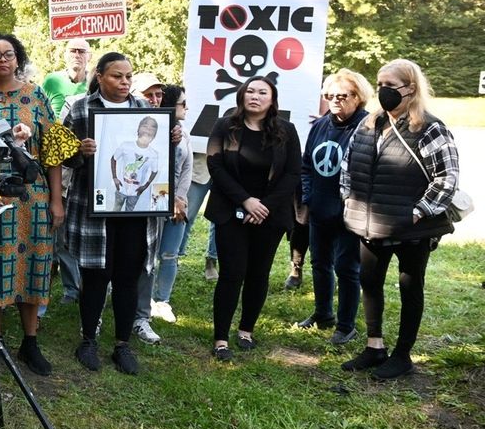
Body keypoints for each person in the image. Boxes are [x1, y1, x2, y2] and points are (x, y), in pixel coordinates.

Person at [340, 59, 458, 379]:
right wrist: (348, 200)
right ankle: (374, 346)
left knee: (410, 287)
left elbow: (446, 177)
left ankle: (402, 354)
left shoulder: (430, 127)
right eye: (379, 85)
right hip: (370, 222)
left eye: (390, 86)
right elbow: (349, 168)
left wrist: (419, 211)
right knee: (370, 283)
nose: (383, 92)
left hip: (412, 228)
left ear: (410, 88)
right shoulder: (368, 124)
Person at [0, 34, 64, 376]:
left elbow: (52, 152)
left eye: (8, 54)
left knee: (34, 260)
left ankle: (30, 342)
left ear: (17, 59)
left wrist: (56, 199)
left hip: (32, 196)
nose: (2, 60)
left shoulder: (35, 95)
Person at [62, 52, 165, 375]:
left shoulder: (146, 111)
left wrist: (171, 136)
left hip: (135, 214)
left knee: (127, 276)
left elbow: (160, 153)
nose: (124, 83)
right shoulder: (80, 108)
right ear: (101, 76)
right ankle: (88, 339)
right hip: (95, 209)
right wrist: (79, 151)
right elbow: (63, 155)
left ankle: (122, 344)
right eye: (117, 76)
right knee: (95, 274)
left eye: (128, 77)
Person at [205, 76, 302, 362]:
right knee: (231, 274)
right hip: (230, 211)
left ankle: (246, 329)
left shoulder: (287, 130)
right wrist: (245, 201)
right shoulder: (225, 126)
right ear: (241, 95)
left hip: (269, 216)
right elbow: (215, 165)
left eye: (262, 92)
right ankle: (221, 338)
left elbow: (293, 173)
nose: (255, 96)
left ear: (272, 99)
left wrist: (264, 207)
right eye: (250, 91)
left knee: (258, 274)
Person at [296, 70, 372, 345]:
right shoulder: (320, 125)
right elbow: (306, 166)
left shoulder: (368, 127)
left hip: (351, 212)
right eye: (330, 96)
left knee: (346, 267)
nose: (335, 101)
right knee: (319, 263)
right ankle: (323, 313)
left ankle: (346, 325)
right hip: (320, 207)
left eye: (343, 96)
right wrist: (307, 199)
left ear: (358, 97)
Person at [41, 37, 90, 304]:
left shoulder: (93, 81)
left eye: (82, 51)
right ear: (65, 54)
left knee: (74, 233)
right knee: (58, 231)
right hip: (58, 160)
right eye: (72, 50)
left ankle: (82, 287)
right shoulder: (51, 81)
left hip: (83, 162)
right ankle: (67, 289)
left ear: (89, 57)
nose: (77, 55)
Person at [146, 86, 193, 325]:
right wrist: (168, 198)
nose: (186, 108)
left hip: (177, 202)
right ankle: (144, 301)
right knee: (148, 253)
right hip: (153, 199)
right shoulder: (152, 129)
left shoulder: (184, 133)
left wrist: (181, 198)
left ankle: (162, 300)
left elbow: (187, 168)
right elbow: (155, 168)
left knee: (170, 254)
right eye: (182, 103)